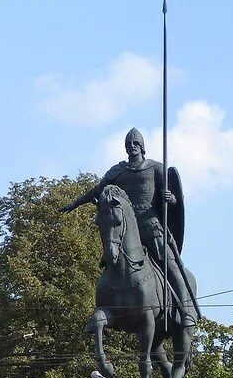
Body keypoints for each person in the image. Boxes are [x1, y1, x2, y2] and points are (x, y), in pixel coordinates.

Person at [60, 127, 197, 327]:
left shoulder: (155, 168)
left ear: (142, 146)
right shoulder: (117, 171)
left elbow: (173, 196)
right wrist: (75, 203)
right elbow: (97, 191)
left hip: (151, 225)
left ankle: (186, 312)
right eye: (128, 144)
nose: (131, 147)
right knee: (111, 262)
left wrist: (172, 199)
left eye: (135, 143)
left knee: (172, 266)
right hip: (123, 227)